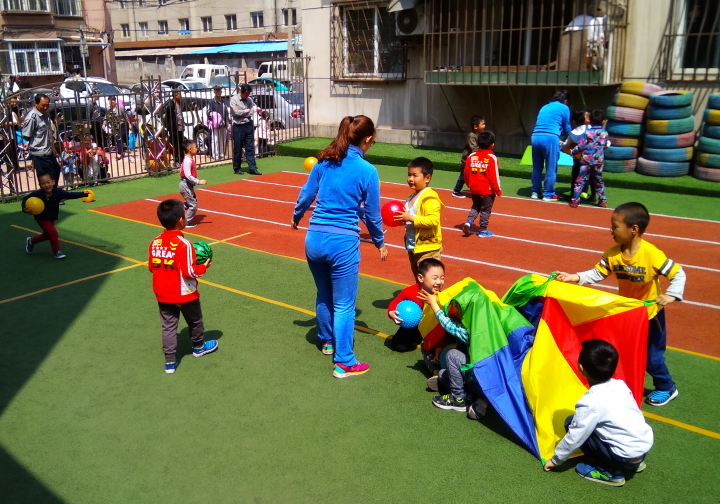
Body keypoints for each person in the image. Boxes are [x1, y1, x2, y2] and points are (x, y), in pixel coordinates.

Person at [554, 202, 686, 406]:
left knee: (652, 358)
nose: (610, 231)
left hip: (651, 315)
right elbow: (598, 273)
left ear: (634, 230)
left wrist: (671, 295)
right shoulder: (613, 253)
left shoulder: (652, 254)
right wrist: (574, 277)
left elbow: (678, 274)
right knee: (625, 351)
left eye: (615, 226)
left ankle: (666, 387)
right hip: (629, 314)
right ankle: (626, 384)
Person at [292, 115, 388, 378]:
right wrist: (380, 241)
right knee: (345, 304)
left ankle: (326, 340)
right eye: (373, 141)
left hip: (314, 238)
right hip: (342, 243)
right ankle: (344, 361)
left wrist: (296, 216)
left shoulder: (324, 162)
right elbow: (372, 214)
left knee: (324, 294)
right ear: (367, 139)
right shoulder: (368, 170)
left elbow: (306, 194)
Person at [543, 340, 653, 487]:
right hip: (643, 448)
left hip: (623, 458)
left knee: (570, 423)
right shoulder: (620, 385)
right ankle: (636, 463)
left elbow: (575, 436)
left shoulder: (590, 402)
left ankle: (607, 471)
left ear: (581, 367)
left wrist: (555, 460)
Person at [148, 199, 218, 374]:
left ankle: (170, 362)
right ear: (181, 220)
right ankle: (198, 347)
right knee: (195, 320)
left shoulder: (155, 242)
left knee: (168, 327)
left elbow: (152, 267)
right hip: (185, 294)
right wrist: (204, 267)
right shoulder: (184, 244)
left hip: (163, 294)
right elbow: (189, 272)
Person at [417, 283, 488, 418]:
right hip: (479, 377)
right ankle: (469, 395)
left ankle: (459, 399)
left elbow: (449, 325)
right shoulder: (486, 323)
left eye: (457, 306)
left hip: (481, 381)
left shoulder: (473, 330)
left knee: (453, 356)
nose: (455, 309)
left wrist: (434, 304)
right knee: (445, 373)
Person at [393, 157, 445, 281]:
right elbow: (410, 219)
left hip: (428, 248)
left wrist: (410, 217)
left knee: (431, 282)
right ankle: (423, 300)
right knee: (420, 280)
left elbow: (433, 220)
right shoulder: (411, 197)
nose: (410, 179)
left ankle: (433, 301)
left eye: (415, 176)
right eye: (409, 175)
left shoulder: (429, 197)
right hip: (413, 247)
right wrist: (402, 219)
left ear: (427, 178)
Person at [22, 172, 90, 259]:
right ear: (39, 185)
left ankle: (31, 241)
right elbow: (25, 198)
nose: (46, 185)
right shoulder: (38, 194)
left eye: (48, 182)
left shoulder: (58, 192)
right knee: (53, 233)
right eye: (43, 183)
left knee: (47, 235)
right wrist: (24, 208)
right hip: (41, 218)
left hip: (52, 217)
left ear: (53, 182)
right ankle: (56, 252)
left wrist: (82, 194)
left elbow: (70, 195)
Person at [387, 258, 445, 353]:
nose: (439, 282)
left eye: (442, 278)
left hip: (433, 326)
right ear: (420, 278)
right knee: (399, 345)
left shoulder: (441, 296)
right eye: (435, 278)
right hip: (413, 324)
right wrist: (391, 312)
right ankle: (416, 335)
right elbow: (395, 302)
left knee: (436, 348)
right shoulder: (410, 292)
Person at [531, 89, 571, 201]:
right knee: (551, 168)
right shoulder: (564, 108)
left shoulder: (544, 106)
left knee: (537, 167)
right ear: (565, 100)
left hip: (535, 136)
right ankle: (548, 194)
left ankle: (535, 191)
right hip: (551, 137)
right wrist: (571, 140)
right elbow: (567, 127)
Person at [462, 131, 502, 238]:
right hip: (487, 190)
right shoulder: (492, 158)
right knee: (485, 209)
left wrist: (469, 184)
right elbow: (494, 176)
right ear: (492, 145)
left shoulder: (471, 156)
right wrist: (497, 190)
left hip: (474, 188)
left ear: (478, 143)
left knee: (476, 206)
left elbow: (466, 172)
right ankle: (483, 230)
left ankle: (469, 221)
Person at [569, 109, 609, 208]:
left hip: (586, 160)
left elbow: (581, 145)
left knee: (580, 180)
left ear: (589, 121)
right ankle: (602, 200)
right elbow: (605, 145)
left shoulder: (587, 133)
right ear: (603, 121)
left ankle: (575, 200)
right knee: (599, 180)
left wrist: (573, 151)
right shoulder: (605, 133)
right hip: (598, 161)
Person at [22, 94, 61, 186]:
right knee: (47, 177)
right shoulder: (32, 117)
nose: (45, 107)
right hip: (39, 153)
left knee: (55, 170)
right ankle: (51, 197)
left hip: (48, 151)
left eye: (47, 105)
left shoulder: (45, 115)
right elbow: (26, 135)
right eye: (43, 105)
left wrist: (53, 148)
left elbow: (48, 132)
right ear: (36, 103)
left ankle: (52, 195)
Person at [562, 109, 595, 203]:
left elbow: (566, 145)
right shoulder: (592, 129)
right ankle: (593, 195)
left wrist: (561, 145)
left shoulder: (573, 133)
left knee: (575, 177)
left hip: (579, 159)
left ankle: (573, 195)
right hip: (592, 158)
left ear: (573, 121)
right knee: (593, 177)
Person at [230, 84, 261, 176]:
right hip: (238, 126)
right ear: (241, 92)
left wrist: (244, 111)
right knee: (238, 148)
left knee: (250, 148)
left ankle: (252, 168)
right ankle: (237, 168)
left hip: (248, 125)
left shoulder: (249, 100)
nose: (247, 96)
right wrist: (246, 111)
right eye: (246, 94)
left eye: (248, 94)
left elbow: (253, 110)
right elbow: (236, 113)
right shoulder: (234, 99)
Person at [452, 115, 485, 198]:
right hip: (467, 160)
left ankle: (477, 190)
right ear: (475, 126)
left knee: (477, 175)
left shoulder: (481, 134)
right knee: (463, 176)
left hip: (475, 160)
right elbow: (474, 148)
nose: (484, 126)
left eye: (484, 124)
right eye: (482, 124)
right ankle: (456, 191)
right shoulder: (472, 136)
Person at [179, 139, 206, 228]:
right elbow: (187, 175)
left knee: (193, 203)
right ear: (190, 149)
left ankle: (180, 207)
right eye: (195, 147)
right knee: (193, 205)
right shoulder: (187, 161)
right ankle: (185, 222)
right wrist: (199, 181)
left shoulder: (189, 159)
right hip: (185, 184)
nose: (196, 149)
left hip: (188, 185)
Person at [207, 86, 230, 160]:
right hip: (216, 123)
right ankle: (215, 154)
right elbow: (209, 112)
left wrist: (227, 120)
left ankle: (221, 153)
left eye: (219, 91)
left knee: (223, 138)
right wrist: (213, 121)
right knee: (215, 139)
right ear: (214, 92)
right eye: (217, 91)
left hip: (223, 123)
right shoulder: (211, 102)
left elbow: (226, 111)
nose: (218, 92)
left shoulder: (223, 101)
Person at [163, 91, 185, 167]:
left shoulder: (180, 104)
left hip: (180, 127)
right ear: (175, 95)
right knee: (175, 145)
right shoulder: (171, 105)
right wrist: (168, 127)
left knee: (181, 144)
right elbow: (166, 117)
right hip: (173, 128)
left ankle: (181, 160)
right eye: (179, 94)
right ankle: (176, 160)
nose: (180, 95)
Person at [106, 95, 130, 159]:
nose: (111, 102)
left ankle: (119, 153)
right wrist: (104, 124)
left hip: (122, 125)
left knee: (120, 138)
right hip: (115, 126)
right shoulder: (108, 109)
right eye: (110, 101)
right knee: (119, 139)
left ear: (115, 101)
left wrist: (129, 124)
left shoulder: (121, 108)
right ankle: (121, 151)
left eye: (112, 100)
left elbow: (126, 116)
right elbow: (107, 118)